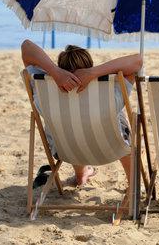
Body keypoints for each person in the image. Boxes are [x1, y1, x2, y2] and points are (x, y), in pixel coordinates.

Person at [21, 39, 142, 187]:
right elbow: (137, 61)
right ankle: (132, 187)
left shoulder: (43, 91)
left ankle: (80, 175)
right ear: (89, 66)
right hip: (111, 150)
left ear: (62, 67)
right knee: (118, 117)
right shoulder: (111, 93)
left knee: (69, 123)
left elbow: (26, 47)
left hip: (65, 152)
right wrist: (93, 73)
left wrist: (55, 72)